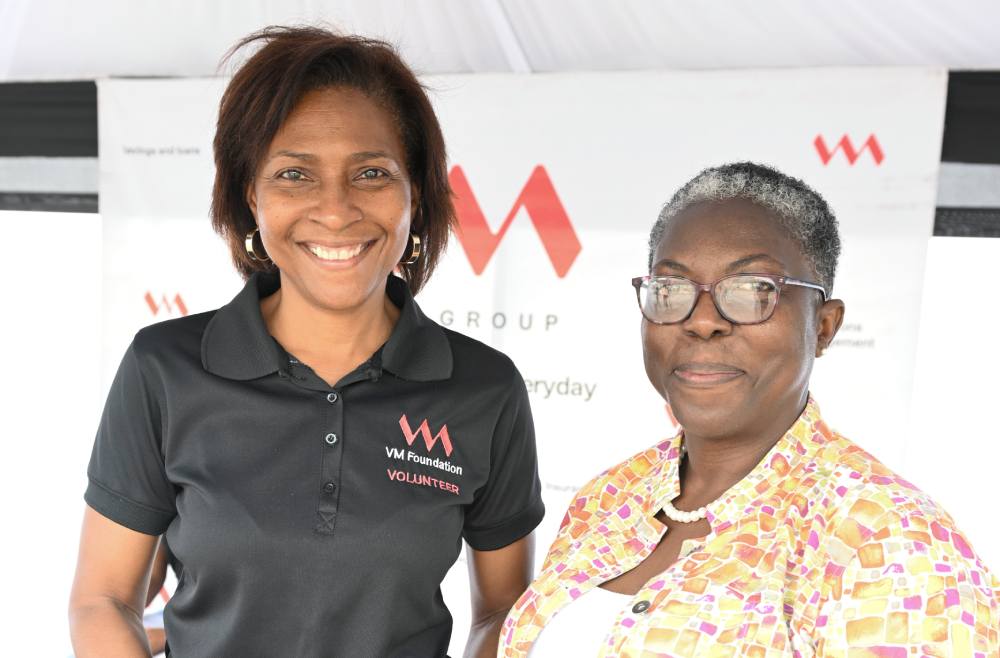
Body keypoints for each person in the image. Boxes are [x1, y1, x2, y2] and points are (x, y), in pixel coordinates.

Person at [69, 26, 543, 658]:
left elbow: (504, 615)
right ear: (250, 196)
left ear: (417, 195)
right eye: (295, 174)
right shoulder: (165, 369)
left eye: (371, 172)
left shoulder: (483, 388)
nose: (336, 209)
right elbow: (102, 600)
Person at [500, 162, 1000, 656]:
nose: (701, 323)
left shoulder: (890, 542)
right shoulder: (607, 497)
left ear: (823, 326)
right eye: (671, 289)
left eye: (752, 291)